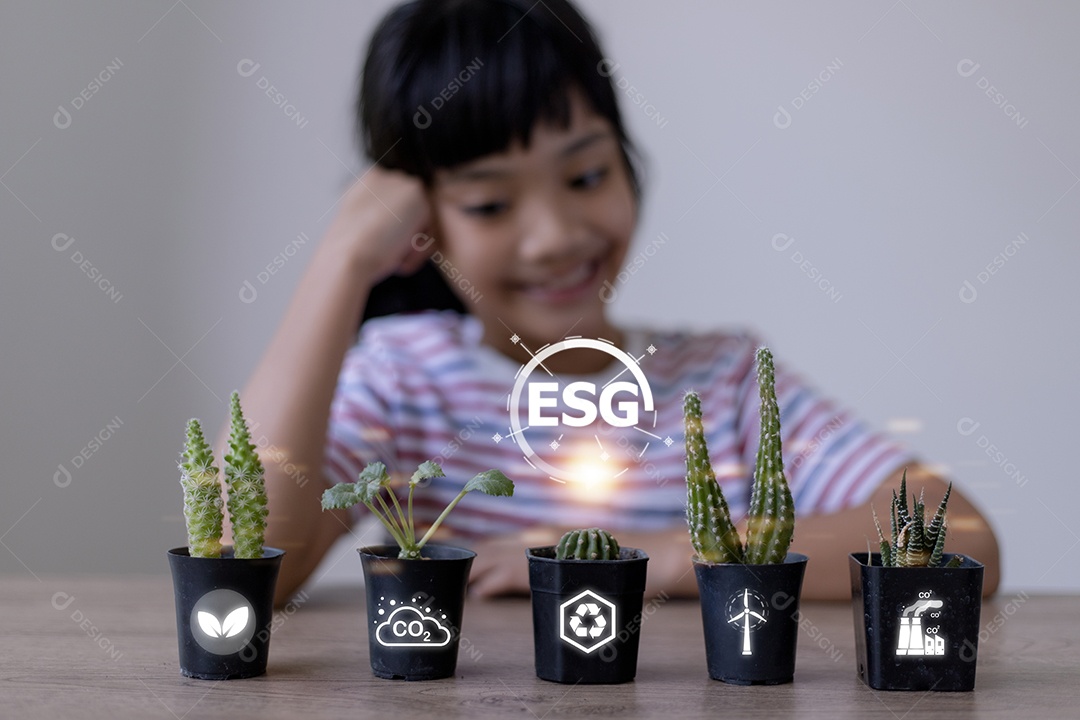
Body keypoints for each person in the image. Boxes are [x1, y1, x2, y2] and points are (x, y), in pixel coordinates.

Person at [227, 0, 999, 604]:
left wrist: (657, 555)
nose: (555, 236)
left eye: (587, 176)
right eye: (491, 204)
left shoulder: (723, 381)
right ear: (421, 225)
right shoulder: (402, 381)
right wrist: (339, 261)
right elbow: (237, 566)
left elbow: (958, 536)